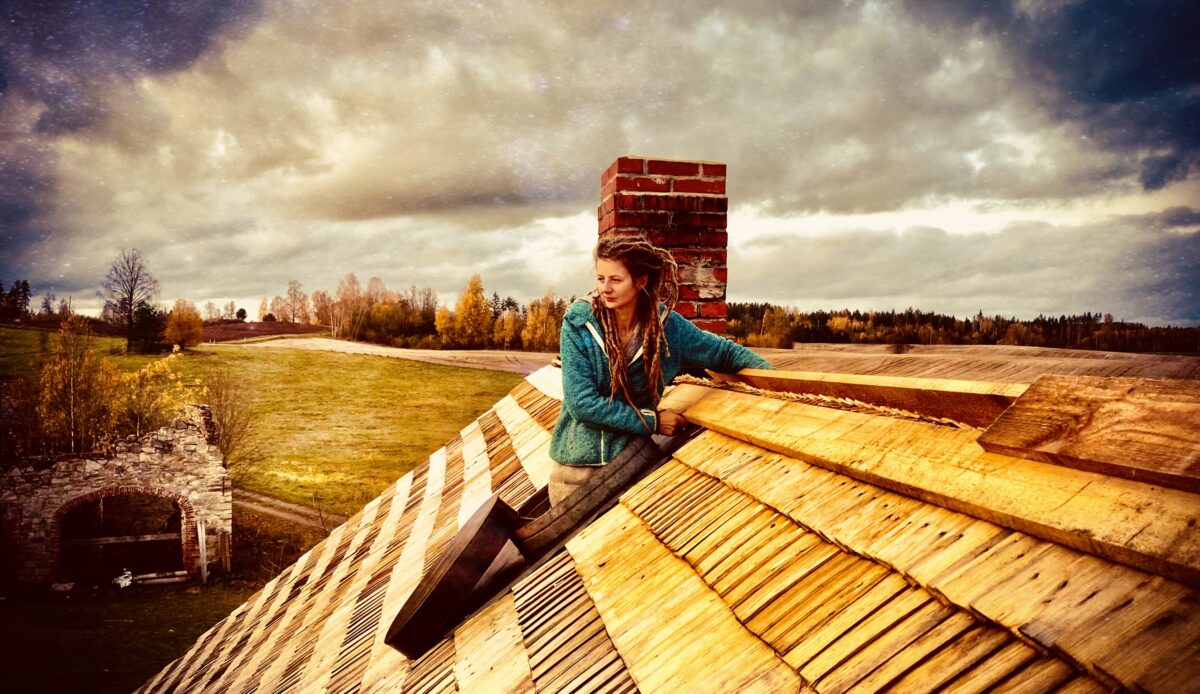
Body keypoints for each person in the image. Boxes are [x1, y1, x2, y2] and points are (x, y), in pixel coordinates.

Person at [548, 235, 772, 504]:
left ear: (641, 281)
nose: (604, 288)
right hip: (576, 476)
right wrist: (652, 421)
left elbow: (724, 353)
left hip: (635, 467)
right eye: (600, 278)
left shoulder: (669, 328)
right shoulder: (579, 324)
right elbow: (581, 404)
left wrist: (775, 382)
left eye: (615, 280)